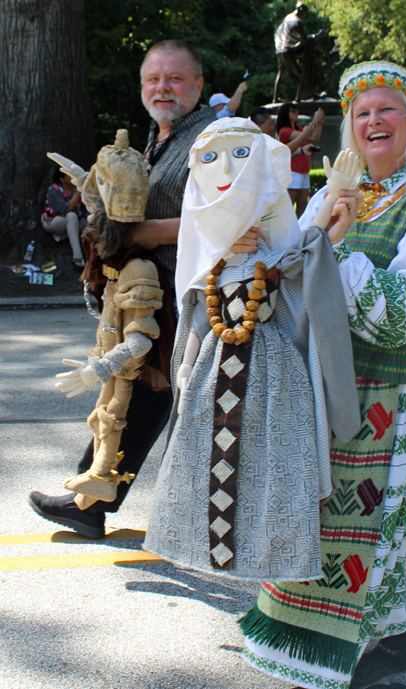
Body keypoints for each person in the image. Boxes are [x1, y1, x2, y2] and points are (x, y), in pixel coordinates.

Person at [239, 61, 406, 689]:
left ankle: (368, 639)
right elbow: (290, 268)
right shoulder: (335, 192)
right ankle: (380, 635)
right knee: (320, 512)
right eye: (362, 114)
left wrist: (335, 253)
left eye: (387, 109)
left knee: (371, 518)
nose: (372, 122)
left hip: (390, 383)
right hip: (323, 379)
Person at [144, 117, 360, 581]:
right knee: (205, 458)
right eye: (212, 158)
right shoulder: (212, 256)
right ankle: (209, 546)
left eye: (241, 154)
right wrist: (185, 359)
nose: (226, 169)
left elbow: (298, 263)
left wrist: (324, 226)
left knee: (270, 463)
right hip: (214, 364)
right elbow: (200, 304)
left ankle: (272, 552)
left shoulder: (274, 247)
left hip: (271, 370)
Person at [29, 40, 217, 539]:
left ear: (199, 85)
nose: (163, 87)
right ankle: (90, 501)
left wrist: (144, 234)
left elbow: (227, 219)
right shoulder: (159, 140)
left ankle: (97, 502)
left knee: (146, 393)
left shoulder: (212, 141)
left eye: (176, 78)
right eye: (153, 79)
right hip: (147, 289)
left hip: (187, 292)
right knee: (142, 394)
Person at [276, 102, 324, 217]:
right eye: (293, 110)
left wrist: (320, 123)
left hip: (303, 171)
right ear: (286, 113)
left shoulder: (299, 129)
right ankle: (287, 231)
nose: (296, 112)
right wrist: (315, 120)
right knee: (290, 204)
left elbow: (314, 137)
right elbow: (306, 134)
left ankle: (300, 230)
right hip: (293, 170)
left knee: (303, 205)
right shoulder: (285, 130)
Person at [273, 3, 323, 103]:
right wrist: (316, 36)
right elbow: (304, 39)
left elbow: (279, 34)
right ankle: (309, 95)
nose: (304, 15)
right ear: (300, 9)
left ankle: (275, 98)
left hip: (280, 50)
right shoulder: (297, 21)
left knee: (281, 74)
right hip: (287, 51)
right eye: (304, 12)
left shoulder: (287, 18)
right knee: (302, 73)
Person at [41, 167, 87, 269]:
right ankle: (78, 258)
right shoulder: (54, 190)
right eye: (69, 175)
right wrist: (78, 193)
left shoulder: (76, 189)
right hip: (53, 222)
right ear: (62, 179)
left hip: (74, 222)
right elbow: (64, 211)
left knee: (91, 222)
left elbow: (84, 210)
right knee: (71, 215)